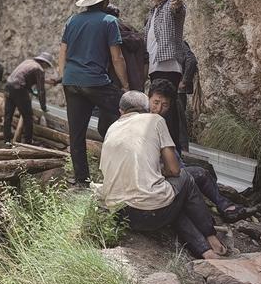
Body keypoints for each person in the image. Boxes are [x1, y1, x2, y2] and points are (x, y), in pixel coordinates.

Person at [97, 91, 227, 259]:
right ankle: (210, 235)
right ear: (147, 108)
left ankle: (205, 251)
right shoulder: (155, 120)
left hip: (121, 216)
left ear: (121, 111)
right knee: (184, 180)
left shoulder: (112, 129)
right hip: (151, 212)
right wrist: (161, 172)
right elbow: (174, 170)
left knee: (172, 203)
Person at [148, 79, 254, 223]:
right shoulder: (148, 122)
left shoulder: (162, 121)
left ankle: (221, 206)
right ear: (148, 98)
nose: (159, 108)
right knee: (201, 173)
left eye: (164, 105)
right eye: (156, 102)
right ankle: (225, 207)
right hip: (155, 176)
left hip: (163, 172)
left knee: (201, 171)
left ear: (170, 105)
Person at [59, 0, 130, 188]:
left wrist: (64, 76)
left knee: (77, 133)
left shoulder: (72, 21)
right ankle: (127, 169)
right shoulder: (109, 21)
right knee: (128, 113)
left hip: (71, 81)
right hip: (95, 81)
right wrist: (125, 85)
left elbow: (62, 52)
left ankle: (82, 181)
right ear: (105, 2)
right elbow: (117, 58)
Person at [136, 0, 186, 148]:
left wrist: (177, 3)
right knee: (159, 108)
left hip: (168, 65)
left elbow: (178, 9)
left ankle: (172, 150)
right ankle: (162, 147)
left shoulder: (170, 5)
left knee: (166, 109)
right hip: (155, 66)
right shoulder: (153, 11)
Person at [2, 52, 54, 147]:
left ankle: (7, 140)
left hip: (8, 86)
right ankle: (28, 142)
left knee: (8, 115)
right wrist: (43, 106)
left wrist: (32, 92)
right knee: (28, 116)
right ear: (44, 63)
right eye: (47, 66)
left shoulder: (28, 62)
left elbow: (23, 78)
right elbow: (41, 90)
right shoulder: (39, 69)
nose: (46, 68)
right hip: (19, 89)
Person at [104, 5, 147, 91]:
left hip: (115, 86)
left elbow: (116, 59)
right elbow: (146, 61)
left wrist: (125, 85)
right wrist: (141, 82)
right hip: (137, 86)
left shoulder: (109, 35)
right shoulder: (136, 34)